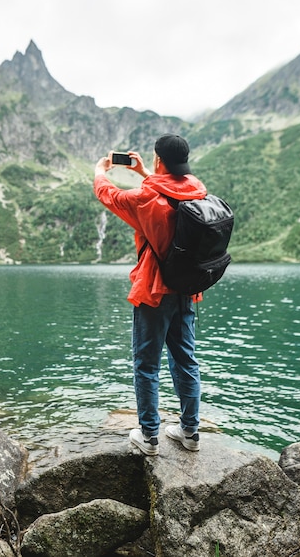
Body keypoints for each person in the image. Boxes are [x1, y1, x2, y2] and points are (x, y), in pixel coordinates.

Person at [94, 134, 207, 455]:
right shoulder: (197, 191)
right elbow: (169, 192)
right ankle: (190, 431)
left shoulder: (147, 199)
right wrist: (146, 174)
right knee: (186, 360)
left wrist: (100, 170)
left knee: (146, 365)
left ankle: (149, 437)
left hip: (155, 290)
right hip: (187, 288)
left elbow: (109, 195)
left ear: (159, 160)